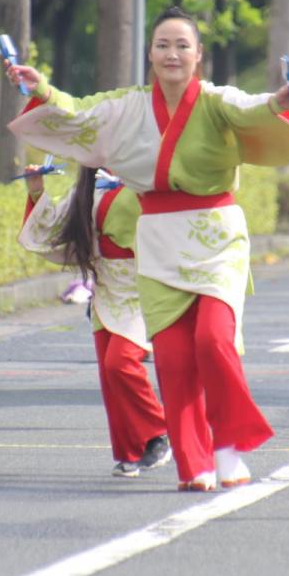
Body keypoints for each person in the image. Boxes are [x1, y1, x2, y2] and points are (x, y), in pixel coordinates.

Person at [5, 6, 289, 491]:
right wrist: (41, 88)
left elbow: (251, 107)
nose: (172, 53)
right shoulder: (128, 105)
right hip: (158, 241)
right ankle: (195, 467)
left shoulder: (215, 101)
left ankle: (229, 444)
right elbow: (78, 110)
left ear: (199, 55)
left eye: (182, 45)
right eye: (163, 45)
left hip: (215, 237)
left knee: (213, 342)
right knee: (172, 362)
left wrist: (278, 101)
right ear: (149, 53)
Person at [18, 164, 171, 478]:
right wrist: (36, 190)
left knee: (121, 363)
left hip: (142, 285)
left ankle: (159, 433)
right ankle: (131, 451)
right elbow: (50, 230)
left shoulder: (145, 178)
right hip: (105, 288)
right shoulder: (90, 186)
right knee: (109, 373)